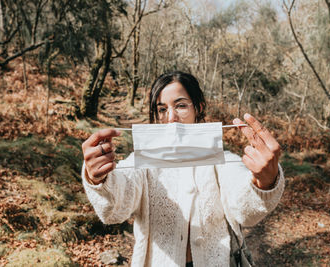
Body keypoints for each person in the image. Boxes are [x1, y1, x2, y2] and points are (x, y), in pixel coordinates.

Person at [81, 71, 284, 267]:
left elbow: (245, 210)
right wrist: (98, 179)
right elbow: (115, 208)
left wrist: (264, 182)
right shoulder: (143, 163)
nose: (171, 118)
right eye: (162, 109)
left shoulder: (223, 162)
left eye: (180, 106)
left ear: (198, 107)